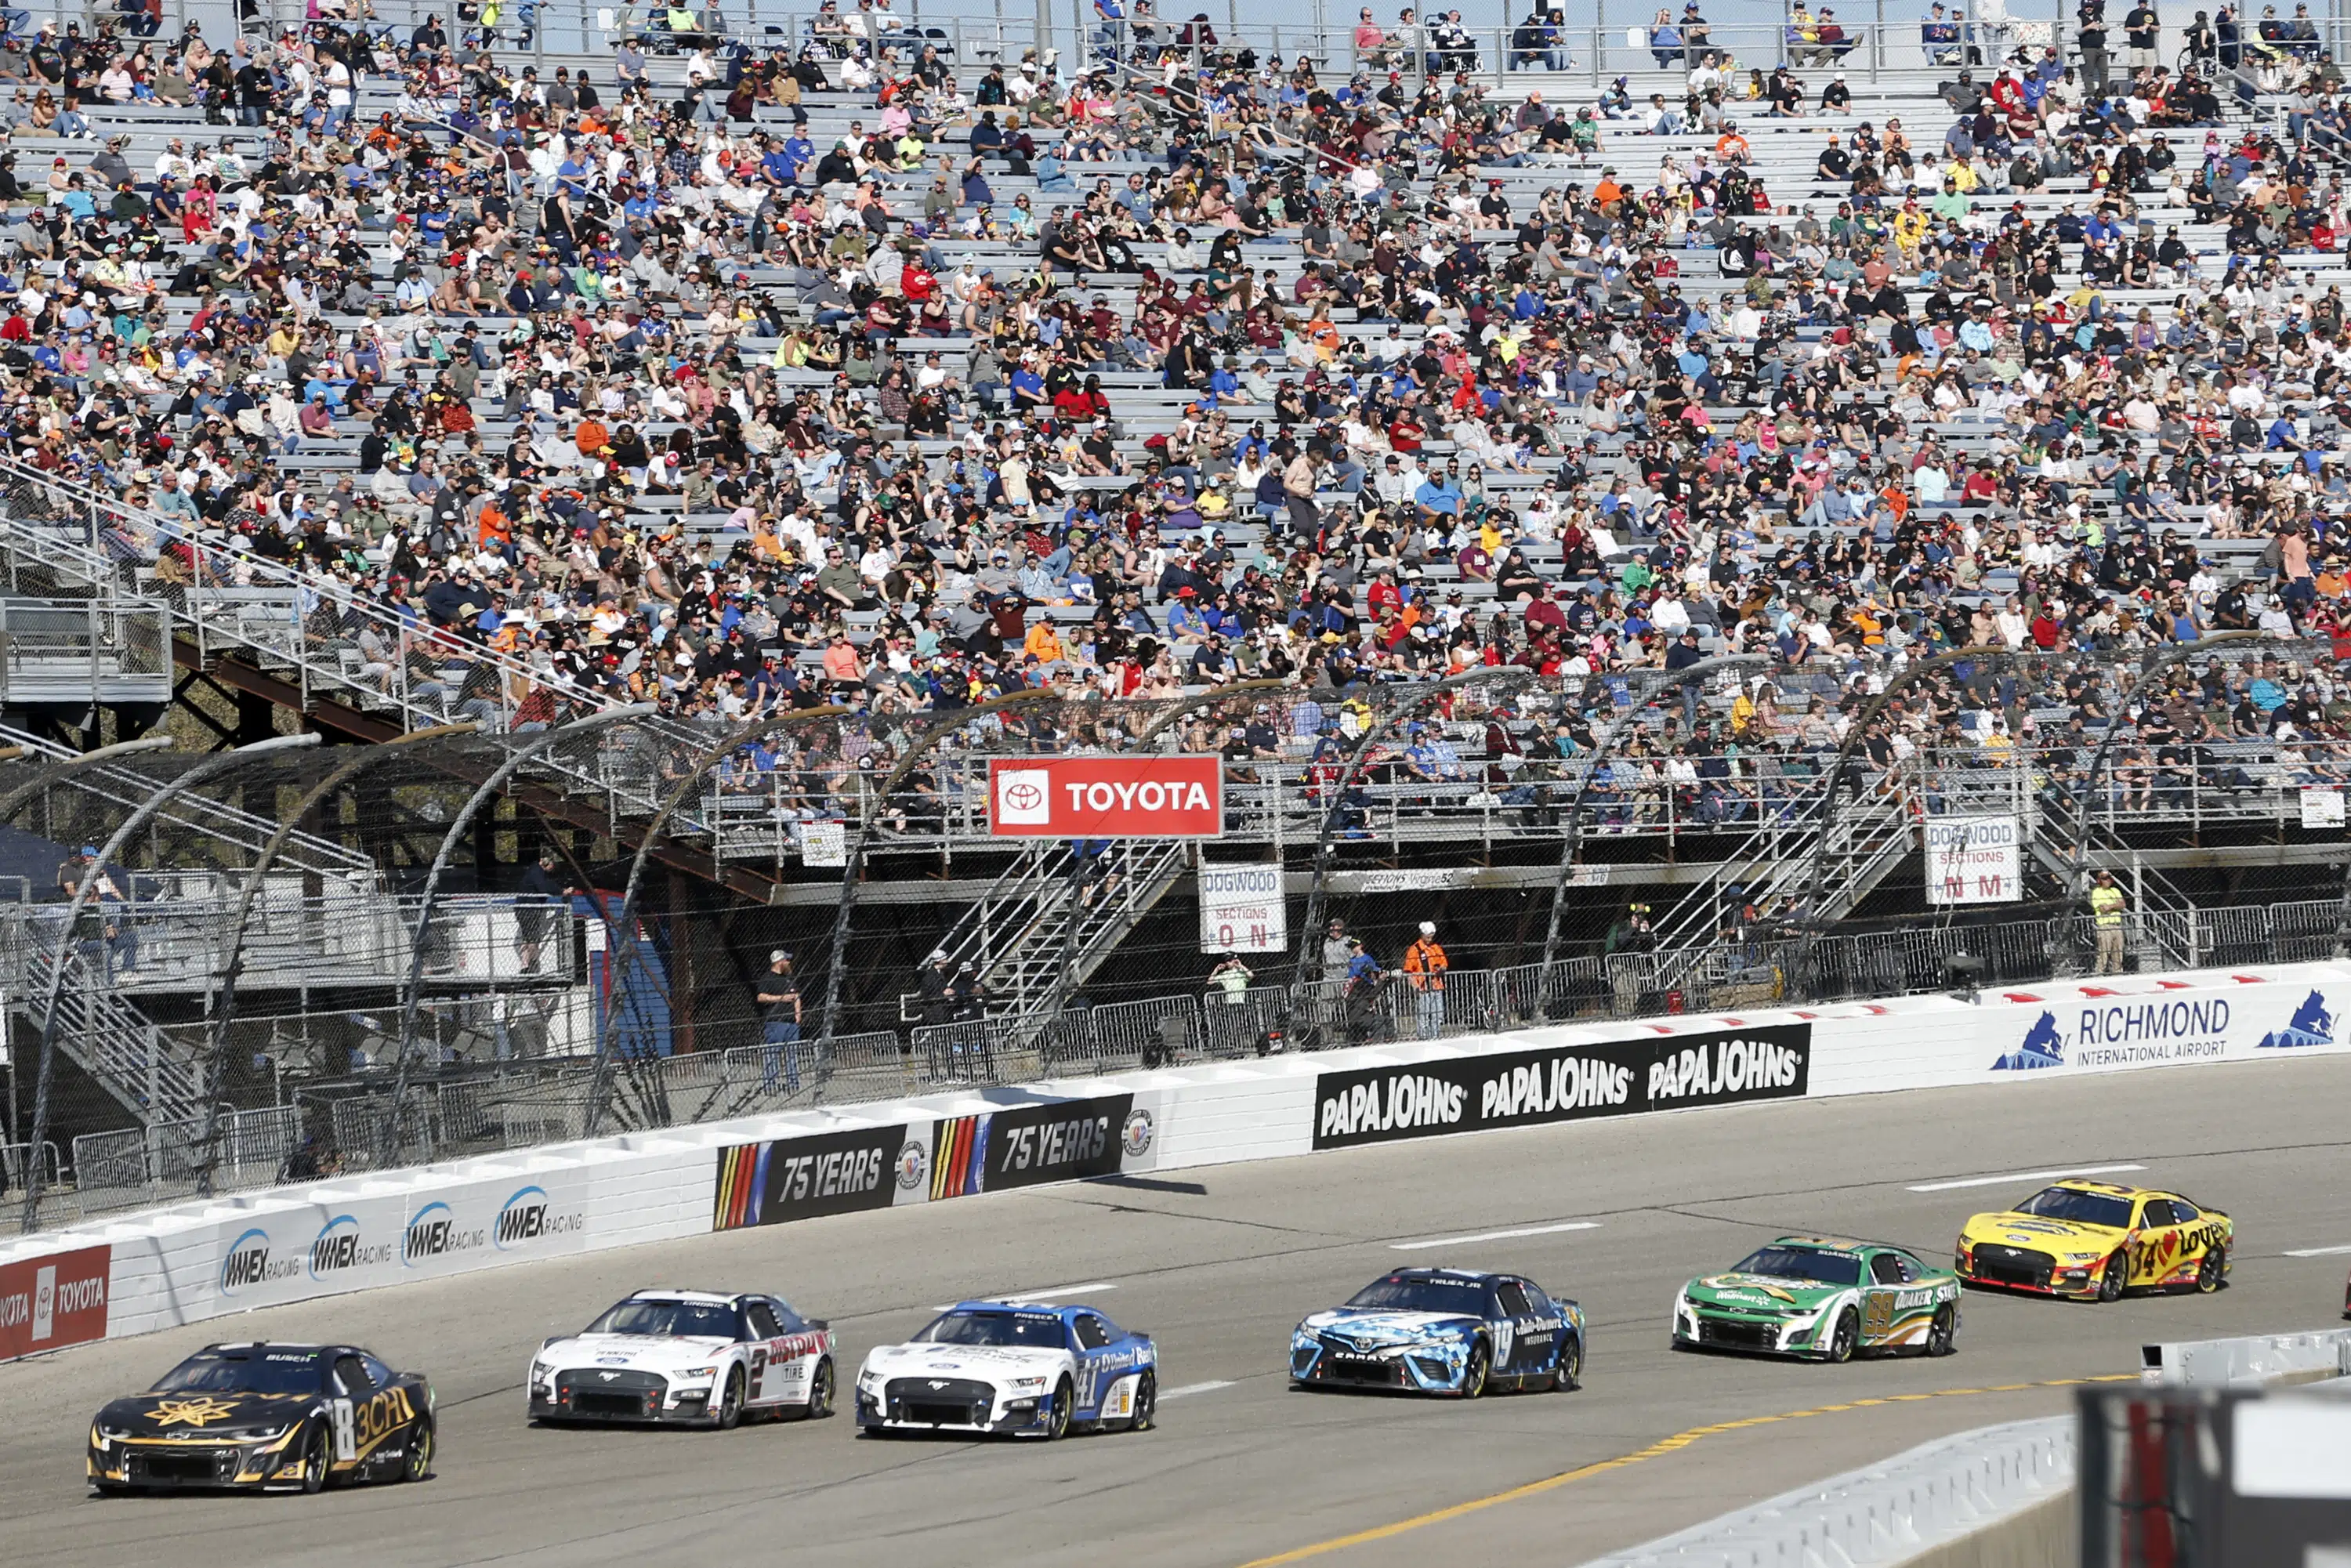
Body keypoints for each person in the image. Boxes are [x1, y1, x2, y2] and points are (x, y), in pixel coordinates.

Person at [757, 949, 805, 1092]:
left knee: (792, 1053)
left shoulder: (789, 979)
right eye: (786, 960)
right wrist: (781, 998)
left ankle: (793, 1084)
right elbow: (761, 997)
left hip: (791, 1022)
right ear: (779, 962)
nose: (789, 963)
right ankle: (770, 1085)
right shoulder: (767, 979)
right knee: (773, 1053)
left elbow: (796, 996)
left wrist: (798, 1014)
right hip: (776, 1021)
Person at [515, 849, 568, 973]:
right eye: (552, 866)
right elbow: (544, 887)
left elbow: (547, 883)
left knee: (528, 938)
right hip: (527, 910)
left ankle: (526, 965)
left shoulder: (537, 872)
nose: (552, 869)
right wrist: (561, 891)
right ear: (546, 863)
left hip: (527, 909)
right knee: (532, 939)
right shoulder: (536, 872)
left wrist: (560, 889)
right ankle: (531, 965)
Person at [1603, 903, 1657, 1014]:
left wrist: (1647, 932)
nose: (1639, 918)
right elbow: (1621, 941)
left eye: (1642, 915)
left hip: (1633, 965)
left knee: (1634, 992)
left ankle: (1631, 1013)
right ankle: (1620, 1015)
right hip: (1619, 964)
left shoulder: (1640, 928)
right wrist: (1632, 928)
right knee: (1622, 992)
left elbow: (1651, 945)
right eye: (1637, 915)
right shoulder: (1623, 926)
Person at [1403, 920, 1448, 1038]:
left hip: (1436, 986)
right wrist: (1415, 986)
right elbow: (1408, 971)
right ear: (1422, 935)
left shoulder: (1436, 948)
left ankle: (1435, 1036)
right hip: (1423, 988)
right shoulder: (1414, 950)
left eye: (1431, 937)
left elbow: (1443, 964)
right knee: (1424, 1016)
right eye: (1428, 937)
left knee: (1438, 1015)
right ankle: (1423, 1038)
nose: (1429, 940)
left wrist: (1441, 970)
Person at [1342, 936, 1385, 1043]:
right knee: (1359, 1011)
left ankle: (1372, 1036)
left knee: (1369, 1008)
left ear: (1360, 946)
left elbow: (1373, 970)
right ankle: (1361, 1037)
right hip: (1357, 987)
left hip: (1367, 986)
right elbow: (1352, 975)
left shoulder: (1367, 958)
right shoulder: (1352, 961)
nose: (1352, 949)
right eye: (1351, 947)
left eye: (1354, 946)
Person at [1208, 951, 1253, 1052]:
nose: (1228, 963)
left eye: (1230, 960)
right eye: (1226, 961)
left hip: (1240, 1001)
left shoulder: (1241, 973)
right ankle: (1236, 1046)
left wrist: (1241, 966)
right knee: (1233, 1025)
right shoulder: (1225, 974)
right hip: (1230, 1003)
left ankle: (1243, 1043)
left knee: (1242, 1024)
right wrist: (1216, 970)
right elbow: (1210, 982)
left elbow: (1251, 975)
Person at [2089, 869, 2128, 974]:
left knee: (2118, 953)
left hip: (2116, 925)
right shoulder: (2097, 892)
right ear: (2100, 880)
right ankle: (2099, 973)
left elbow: (2123, 905)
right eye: (2104, 879)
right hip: (2105, 926)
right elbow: (2103, 909)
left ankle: (2118, 973)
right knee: (2103, 953)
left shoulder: (2115, 890)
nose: (2107, 880)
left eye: (2108, 878)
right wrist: (2116, 905)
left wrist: (2110, 906)